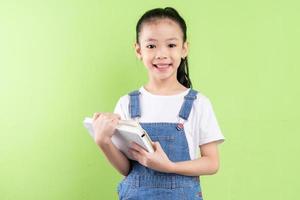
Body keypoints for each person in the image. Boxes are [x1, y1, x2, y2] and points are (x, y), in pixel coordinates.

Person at [92, 7, 225, 200]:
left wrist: (169, 166)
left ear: (184, 49)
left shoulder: (198, 103)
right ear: (138, 50)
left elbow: (212, 163)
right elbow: (127, 169)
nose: (161, 54)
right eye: (151, 46)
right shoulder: (127, 103)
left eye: (171, 45)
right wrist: (103, 141)